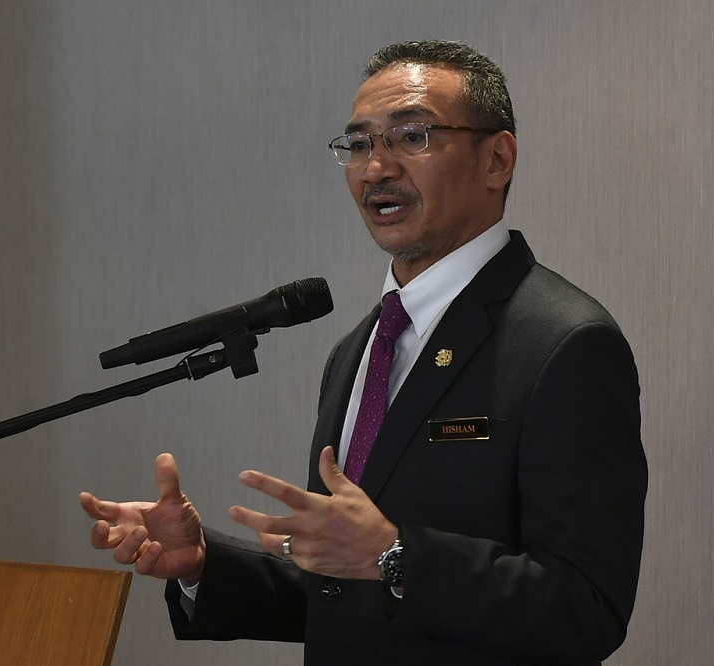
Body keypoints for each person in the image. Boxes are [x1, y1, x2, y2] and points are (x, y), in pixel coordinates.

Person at [79, 40, 647, 665]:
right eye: (359, 144)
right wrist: (205, 565)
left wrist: (395, 555)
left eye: (411, 137)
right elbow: (343, 590)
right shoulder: (360, 349)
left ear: (497, 159)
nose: (377, 167)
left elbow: (587, 608)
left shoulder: (566, 344)